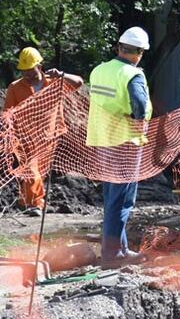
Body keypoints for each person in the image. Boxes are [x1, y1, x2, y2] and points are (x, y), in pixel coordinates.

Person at [85, 28, 151, 267]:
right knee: (122, 200)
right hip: (125, 142)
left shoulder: (99, 70)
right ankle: (112, 253)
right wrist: (137, 118)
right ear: (139, 53)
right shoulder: (132, 74)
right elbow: (141, 104)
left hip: (102, 140)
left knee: (112, 198)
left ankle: (119, 248)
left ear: (120, 47)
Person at [4, 47, 84, 216]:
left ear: (40, 66)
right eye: (24, 71)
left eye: (30, 70)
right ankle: (36, 205)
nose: (27, 74)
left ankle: (24, 200)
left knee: (38, 171)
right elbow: (8, 114)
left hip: (49, 136)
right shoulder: (15, 88)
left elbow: (78, 83)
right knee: (31, 169)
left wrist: (61, 75)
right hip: (25, 138)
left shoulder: (54, 83)